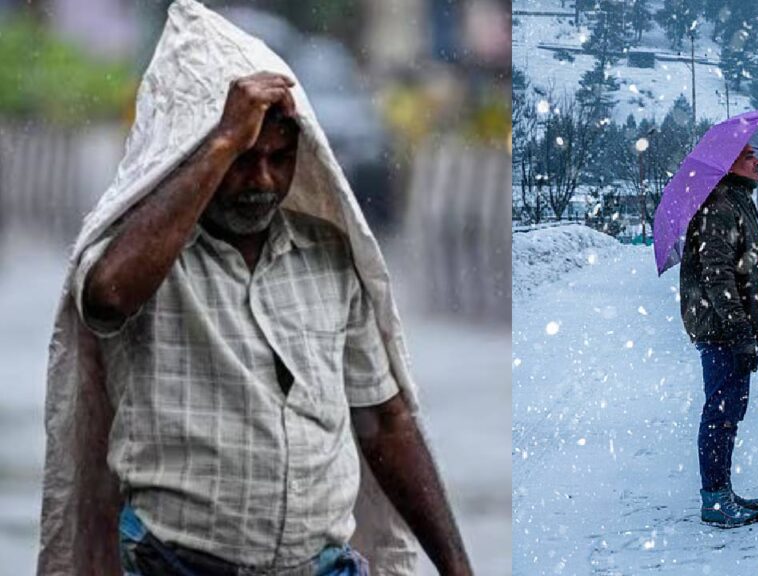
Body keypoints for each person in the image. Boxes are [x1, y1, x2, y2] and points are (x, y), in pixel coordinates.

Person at [37, 3, 471, 574]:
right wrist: (222, 140)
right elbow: (107, 297)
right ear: (195, 151)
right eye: (243, 160)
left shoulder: (328, 254)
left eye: (279, 158)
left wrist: (457, 567)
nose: (262, 180)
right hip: (175, 564)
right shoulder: (148, 253)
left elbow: (385, 422)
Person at [679, 144, 758, 528]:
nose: (757, 161)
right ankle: (714, 499)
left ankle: (722, 492)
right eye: (747, 156)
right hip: (721, 328)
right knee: (721, 414)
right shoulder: (720, 206)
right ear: (727, 163)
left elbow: (741, 264)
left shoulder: (737, 201)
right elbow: (718, 275)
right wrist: (740, 331)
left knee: (729, 412)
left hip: (727, 327)